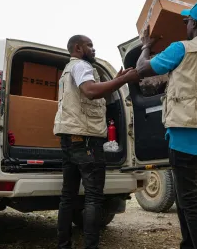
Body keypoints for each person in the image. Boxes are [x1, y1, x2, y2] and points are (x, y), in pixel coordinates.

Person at [136, 0, 197, 249]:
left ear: (194, 23)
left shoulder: (181, 49)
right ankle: (187, 245)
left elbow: (142, 69)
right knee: (185, 196)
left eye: (188, 20)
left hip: (185, 137)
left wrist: (145, 47)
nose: (186, 24)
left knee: (191, 202)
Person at [54, 35, 139, 249]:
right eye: (89, 46)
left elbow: (92, 90)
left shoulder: (68, 70)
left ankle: (63, 245)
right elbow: (90, 91)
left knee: (67, 196)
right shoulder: (82, 66)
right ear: (78, 47)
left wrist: (113, 80)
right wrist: (121, 81)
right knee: (93, 198)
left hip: (69, 139)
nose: (93, 49)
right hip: (87, 140)